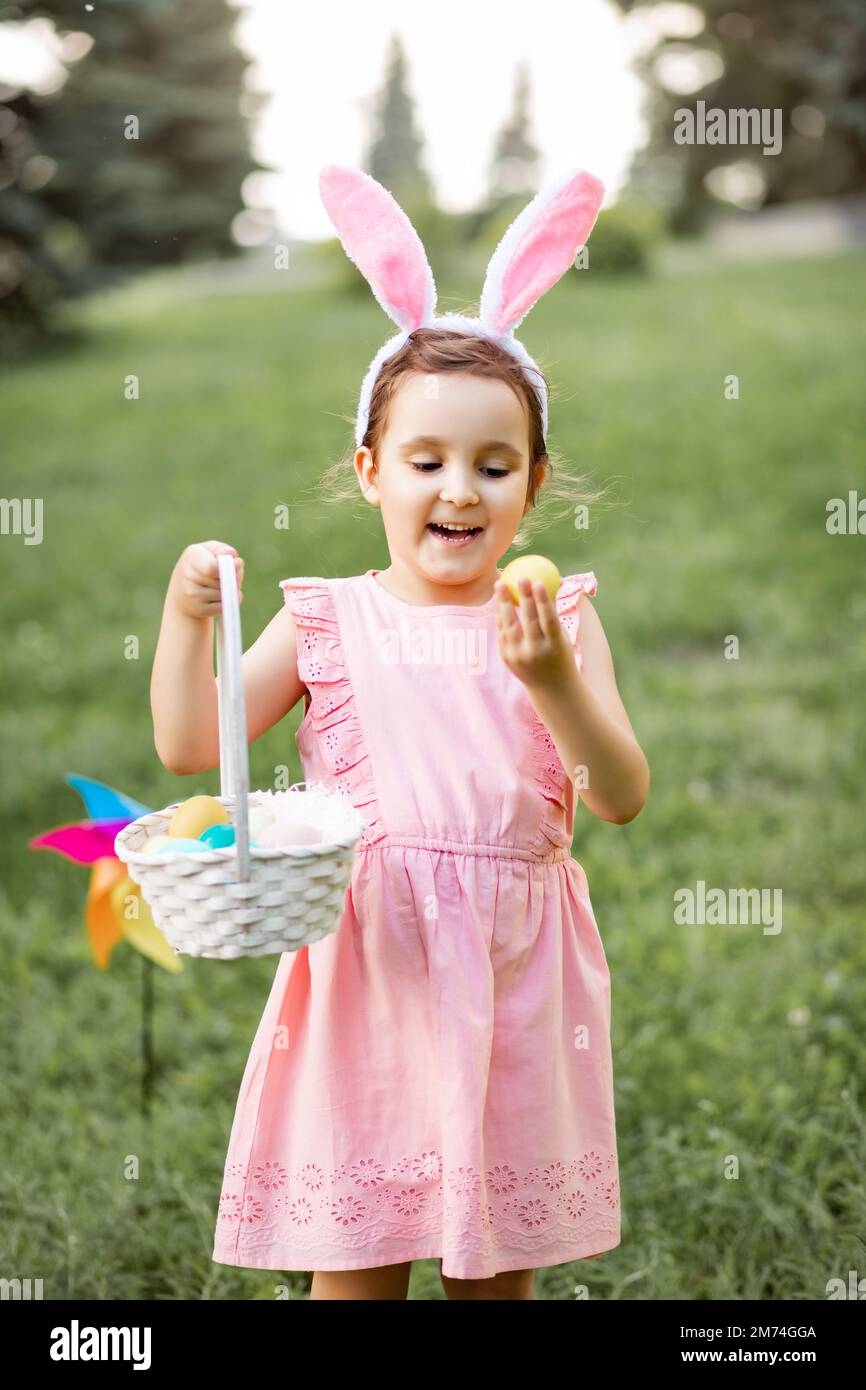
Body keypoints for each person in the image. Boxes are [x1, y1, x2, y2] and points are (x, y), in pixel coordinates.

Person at [150, 165, 650, 1300]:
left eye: (492, 464)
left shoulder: (555, 618)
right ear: (372, 472)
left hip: (515, 987)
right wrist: (188, 623)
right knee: (358, 1271)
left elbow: (617, 791)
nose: (458, 490)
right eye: (426, 460)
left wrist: (554, 684)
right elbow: (192, 745)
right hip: (367, 978)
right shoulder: (326, 616)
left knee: (491, 1277)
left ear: (532, 484)